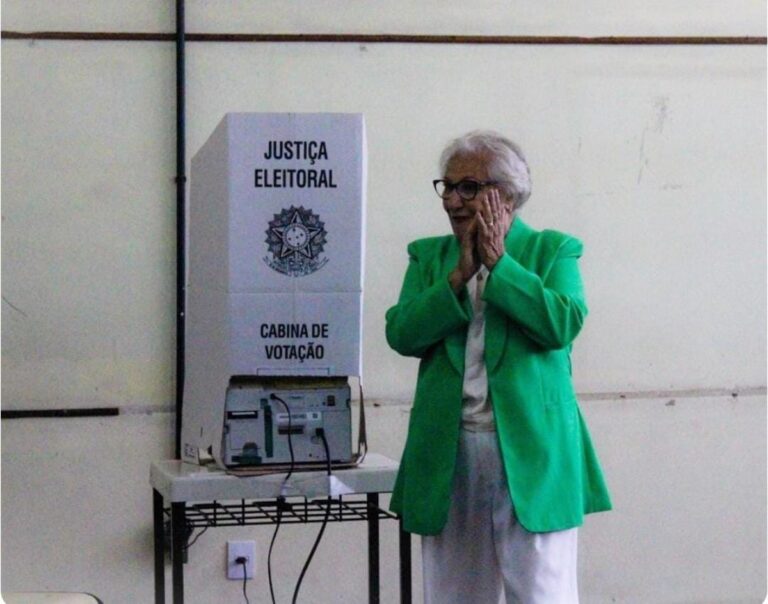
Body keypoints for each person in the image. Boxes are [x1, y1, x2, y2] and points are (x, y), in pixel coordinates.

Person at [386, 130, 612, 604]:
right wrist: (459, 276)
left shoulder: (553, 250)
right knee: (454, 595)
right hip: (450, 452)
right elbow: (402, 334)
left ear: (506, 195)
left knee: (542, 594)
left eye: (468, 188)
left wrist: (500, 265)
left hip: (532, 453)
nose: (452, 200)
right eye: (446, 187)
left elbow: (561, 323)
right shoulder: (428, 256)